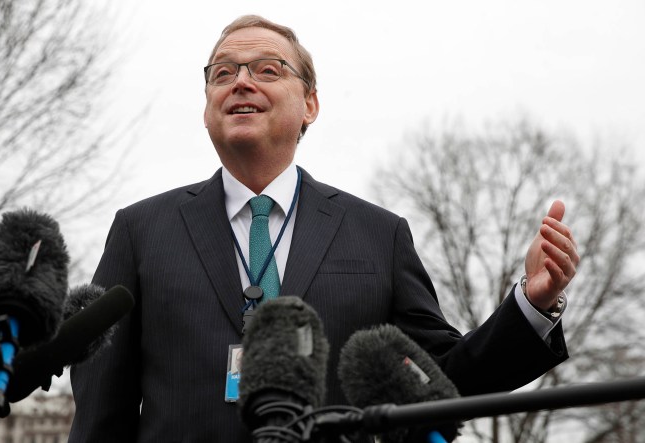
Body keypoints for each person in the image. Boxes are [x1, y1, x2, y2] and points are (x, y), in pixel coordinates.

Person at [68, 14, 579, 442]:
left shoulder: (379, 235)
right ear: (207, 109)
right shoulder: (140, 232)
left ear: (310, 105)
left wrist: (532, 305)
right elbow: (100, 411)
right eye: (222, 73)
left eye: (267, 69)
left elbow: (444, 382)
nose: (241, 82)